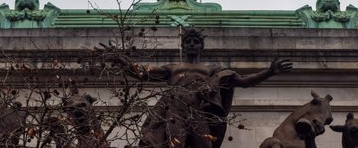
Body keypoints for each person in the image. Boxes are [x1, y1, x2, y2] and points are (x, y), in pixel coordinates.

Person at [119, 27, 292, 148]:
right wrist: (123, 63)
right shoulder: (172, 69)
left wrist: (269, 72)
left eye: (196, 41)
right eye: (188, 41)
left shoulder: (213, 71)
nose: (192, 44)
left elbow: (243, 81)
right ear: (183, 46)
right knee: (175, 143)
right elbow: (142, 74)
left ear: (202, 46)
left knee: (205, 144)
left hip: (199, 113)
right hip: (175, 111)